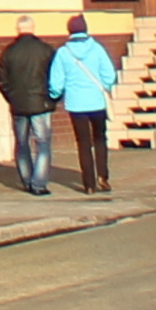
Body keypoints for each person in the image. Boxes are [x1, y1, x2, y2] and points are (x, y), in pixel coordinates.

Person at [49, 10, 121, 194]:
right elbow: (109, 74)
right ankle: (103, 177)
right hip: (97, 102)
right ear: (86, 29)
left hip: (76, 104)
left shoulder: (63, 52)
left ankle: (88, 184)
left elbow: (56, 82)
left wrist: (56, 94)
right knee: (99, 139)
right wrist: (104, 87)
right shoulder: (97, 48)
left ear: (69, 31)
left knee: (83, 143)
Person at [0, 17, 59, 196]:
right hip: (41, 103)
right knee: (43, 144)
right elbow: (55, 77)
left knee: (22, 143)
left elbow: (1, 80)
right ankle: (38, 183)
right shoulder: (46, 50)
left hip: (19, 105)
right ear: (33, 28)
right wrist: (53, 98)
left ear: (17, 29)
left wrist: (12, 97)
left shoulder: (9, 52)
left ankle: (26, 180)